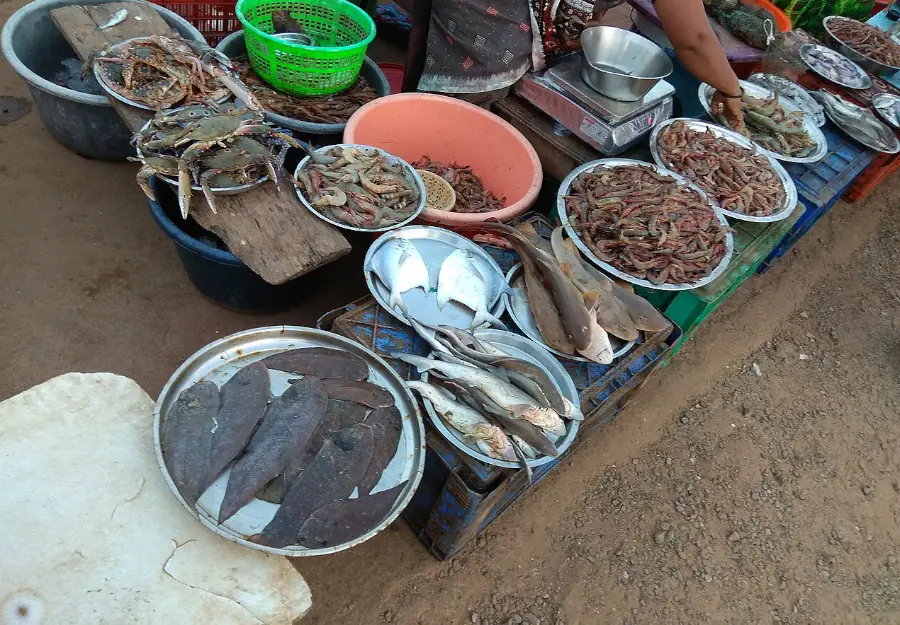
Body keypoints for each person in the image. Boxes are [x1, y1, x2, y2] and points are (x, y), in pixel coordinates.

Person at [400, 0, 745, 128]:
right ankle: (422, 134)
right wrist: (732, 90)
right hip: (487, 18)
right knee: (452, 108)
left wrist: (583, 15)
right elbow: (695, 41)